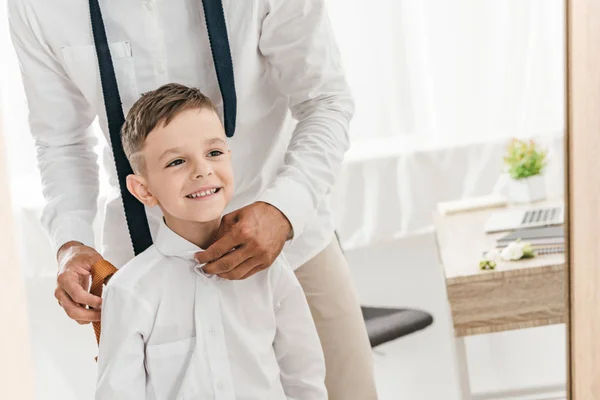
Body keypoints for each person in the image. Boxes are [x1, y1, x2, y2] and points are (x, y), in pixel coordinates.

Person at [8, 0, 377, 398]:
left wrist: (285, 208)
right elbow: (59, 140)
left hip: (289, 238)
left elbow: (325, 99)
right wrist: (70, 241)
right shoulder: (38, 7)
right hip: (143, 250)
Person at [94, 83, 326, 399]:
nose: (202, 170)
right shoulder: (129, 291)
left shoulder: (269, 269)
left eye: (213, 153)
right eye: (177, 161)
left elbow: (303, 376)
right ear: (144, 190)